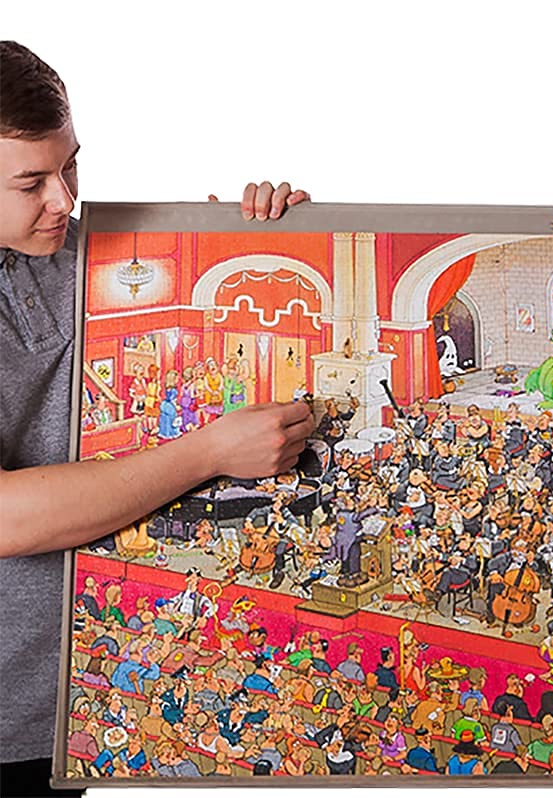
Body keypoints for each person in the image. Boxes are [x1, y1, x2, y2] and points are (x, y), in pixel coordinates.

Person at [0, 41, 312, 796]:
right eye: (31, 182)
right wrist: (208, 452)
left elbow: (177, 289)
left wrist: (258, 234)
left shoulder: (80, 251)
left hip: (76, 705)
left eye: (71, 166)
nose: (64, 200)